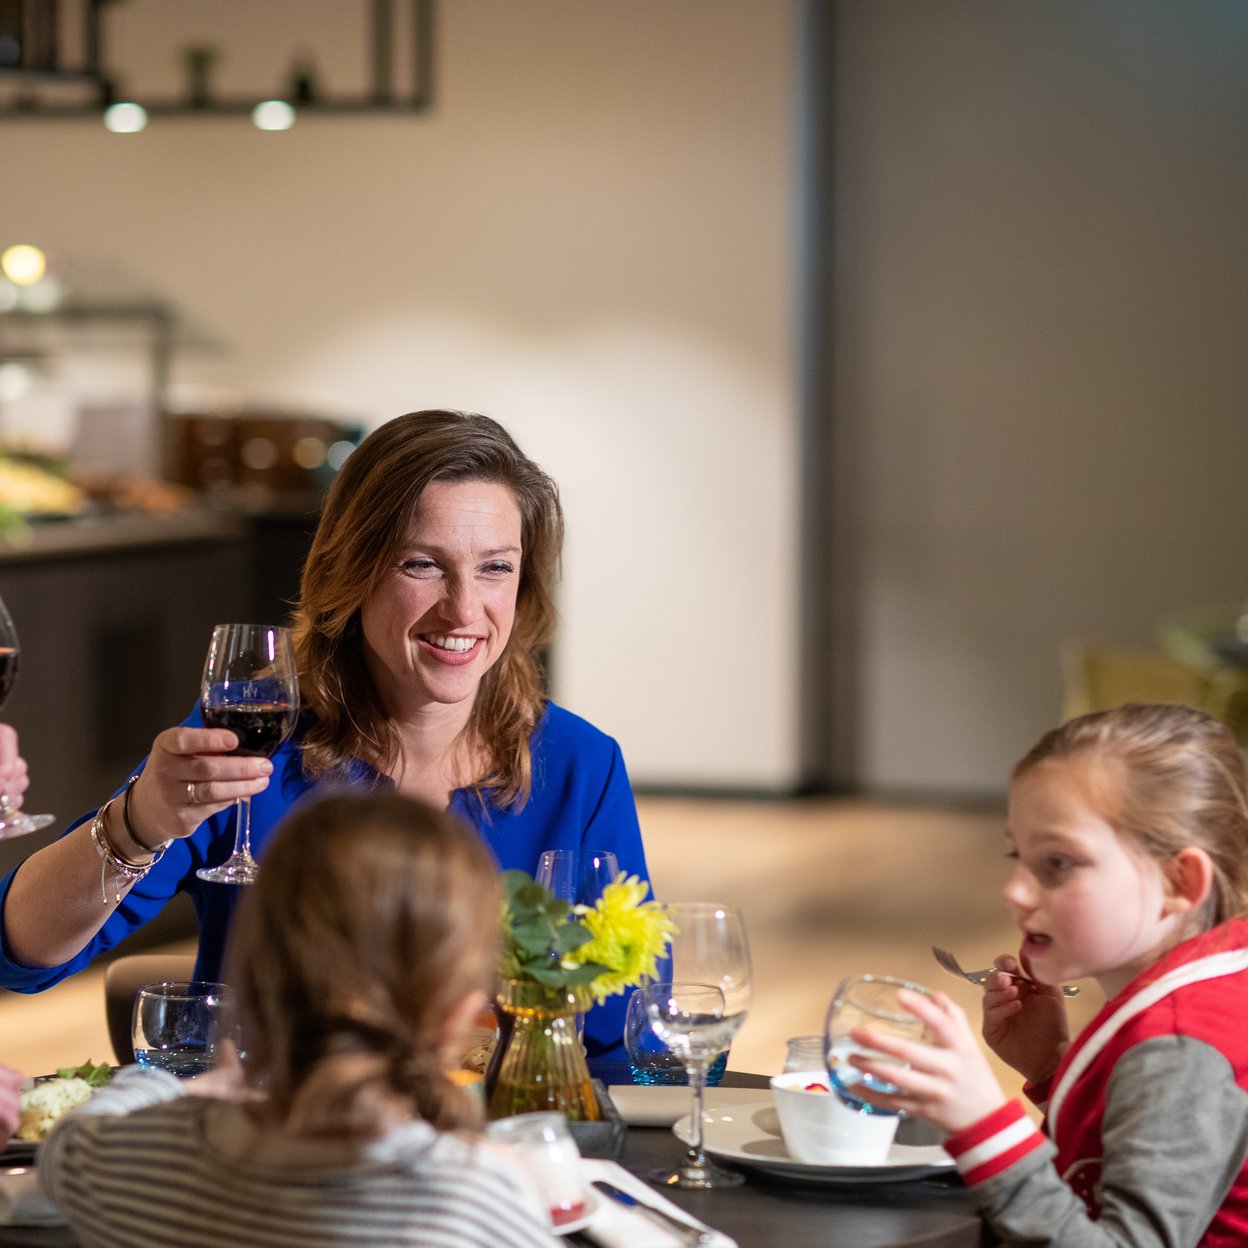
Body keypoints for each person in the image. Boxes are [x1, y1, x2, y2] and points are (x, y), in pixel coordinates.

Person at [0, 410, 650, 1060]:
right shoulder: (255, 746)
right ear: (353, 571)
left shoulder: (581, 767)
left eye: (495, 568)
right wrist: (137, 822)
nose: (463, 608)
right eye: (422, 564)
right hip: (266, 1136)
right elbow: (21, 952)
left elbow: (630, 1041)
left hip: (490, 1146)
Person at [39, 790, 556, 1247]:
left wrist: (189, 1091)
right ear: (459, 1016)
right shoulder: (476, 1204)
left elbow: (68, 1144)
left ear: (254, 970)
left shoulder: (132, 1167)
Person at [848, 702, 1248, 1247]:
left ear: (1179, 880)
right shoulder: (1212, 981)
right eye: (1019, 855)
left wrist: (987, 1128)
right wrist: (1052, 1069)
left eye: (1058, 863)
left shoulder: (1179, 1048)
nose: (1014, 889)